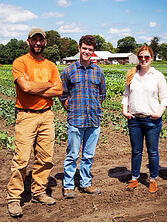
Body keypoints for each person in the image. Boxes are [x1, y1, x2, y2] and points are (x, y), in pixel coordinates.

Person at [7, 28, 63, 218]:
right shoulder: (20, 62)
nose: (37, 43)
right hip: (26, 116)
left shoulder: (51, 66)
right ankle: (14, 198)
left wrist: (35, 88)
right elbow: (25, 86)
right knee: (21, 159)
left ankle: (39, 192)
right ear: (28, 41)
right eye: (34, 40)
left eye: (41, 40)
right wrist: (47, 85)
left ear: (45, 42)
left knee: (45, 158)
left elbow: (59, 91)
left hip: (46, 115)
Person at [59, 35, 105, 199]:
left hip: (93, 120)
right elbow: (62, 95)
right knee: (72, 155)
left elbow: (102, 94)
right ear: (79, 48)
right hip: (75, 121)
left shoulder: (98, 71)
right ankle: (68, 186)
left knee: (88, 155)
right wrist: (71, 109)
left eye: (90, 50)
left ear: (93, 52)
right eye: (84, 48)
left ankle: (85, 183)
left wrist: (95, 108)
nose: (87, 52)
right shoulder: (68, 71)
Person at [121, 45, 167, 193]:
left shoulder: (158, 76)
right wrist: (125, 111)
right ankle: (134, 178)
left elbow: (165, 98)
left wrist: (159, 113)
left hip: (151, 120)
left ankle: (152, 179)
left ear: (151, 58)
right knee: (136, 151)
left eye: (146, 57)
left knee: (152, 151)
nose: (143, 59)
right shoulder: (132, 75)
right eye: (141, 57)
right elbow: (126, 95)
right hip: (134, 120)